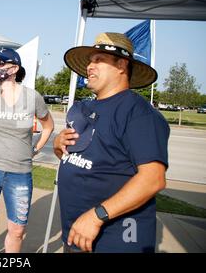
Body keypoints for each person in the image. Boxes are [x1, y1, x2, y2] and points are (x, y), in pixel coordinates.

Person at [53, 32, 169, 253]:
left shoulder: (138, 113)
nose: (90, 66)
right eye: (89, 61)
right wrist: (59, 145)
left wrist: (97, 216)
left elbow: (153, 179)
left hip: (116, 238)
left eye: (98, 60)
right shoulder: (81, 108)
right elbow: (80, 158)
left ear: (121, 65)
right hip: (76, 232)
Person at [0, 48, 54, 252]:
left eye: (0, 63)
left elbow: (48, 126)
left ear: (14, 68)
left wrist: (35, 149)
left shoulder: (32, 97)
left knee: (16, 230)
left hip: (19, 173)